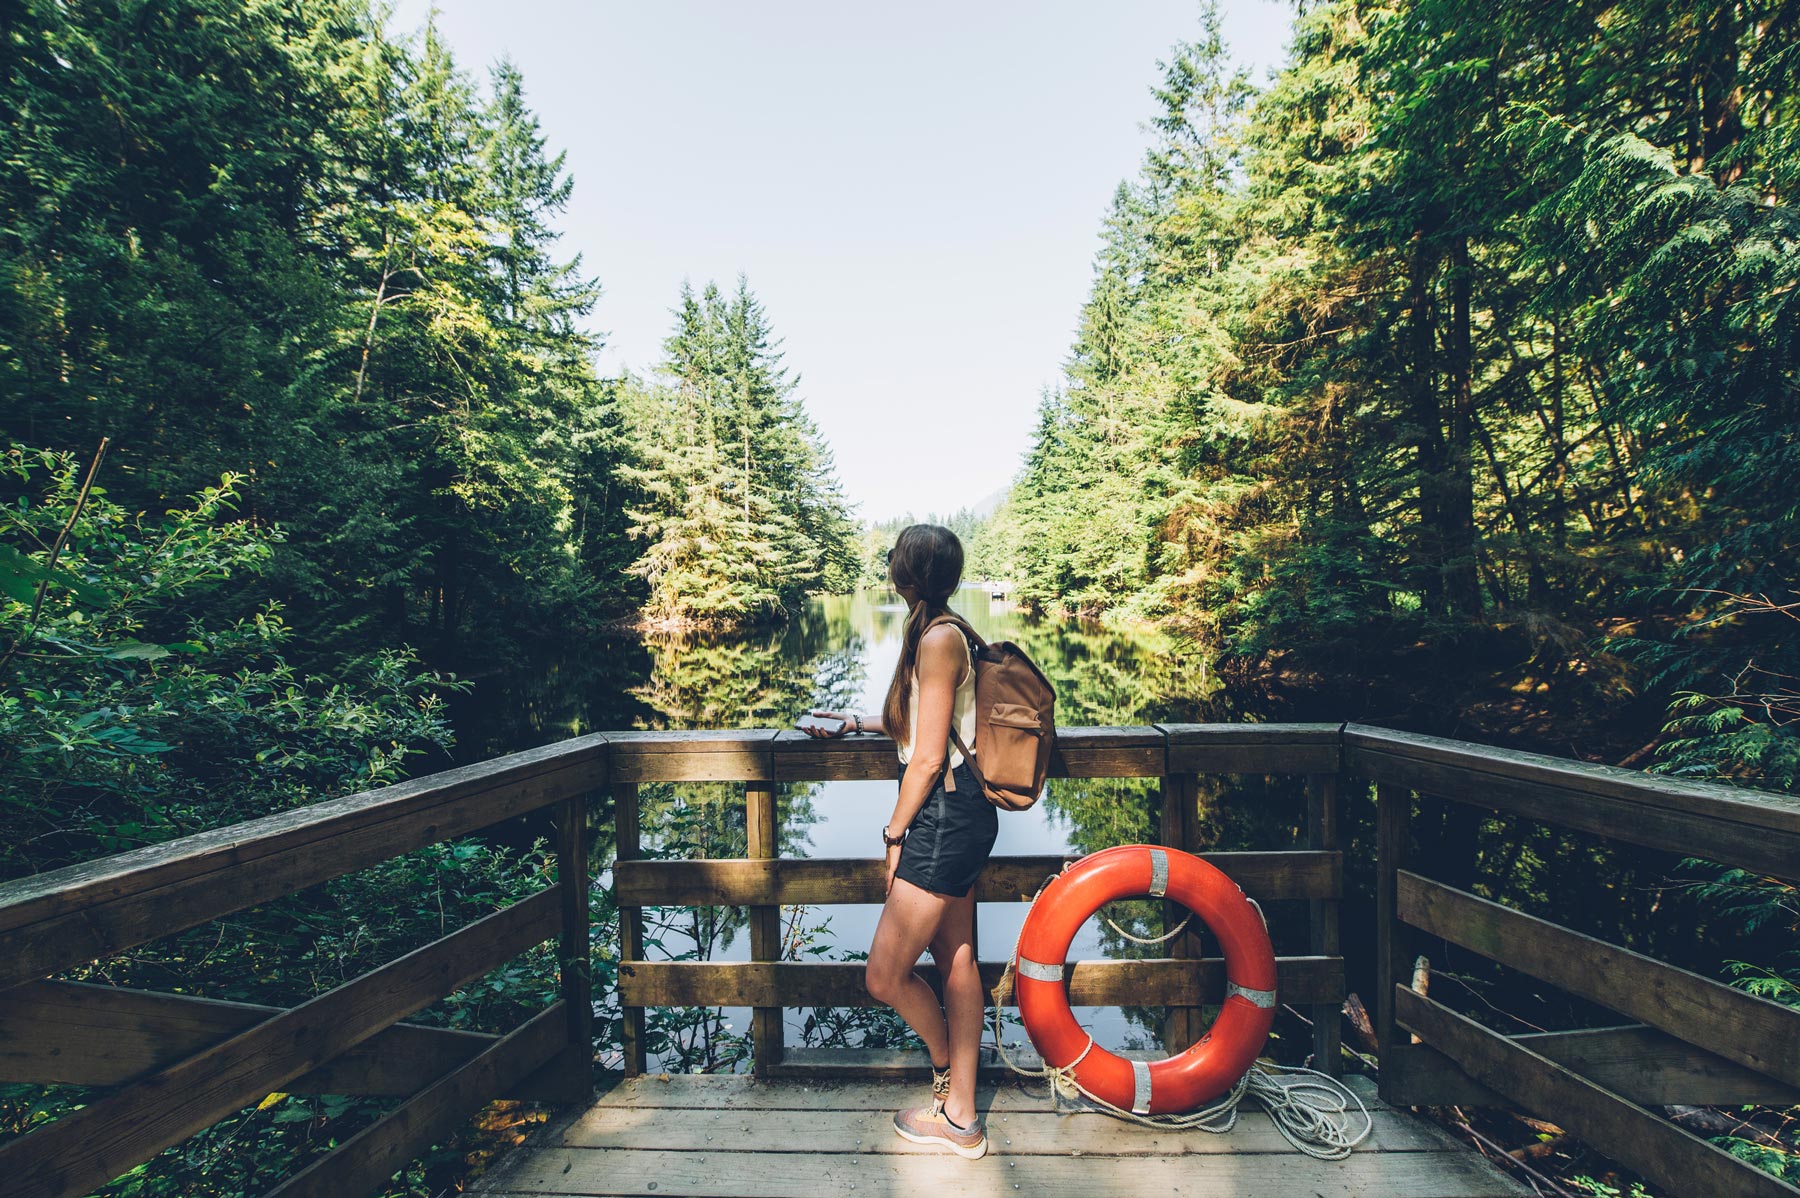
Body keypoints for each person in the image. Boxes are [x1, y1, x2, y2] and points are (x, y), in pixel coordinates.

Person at [801, 523, 994, 1159]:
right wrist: (858, 721)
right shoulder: (945, 630)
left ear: (906, 575)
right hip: (960, 814)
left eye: (893, 559)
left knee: (884, 975)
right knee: (957, 960)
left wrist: (893, 834)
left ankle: (949, 1082)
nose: (888, 566)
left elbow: (929, 757)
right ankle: (962, 1112)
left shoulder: (938, 638)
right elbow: (927, 723)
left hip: (941, 818)